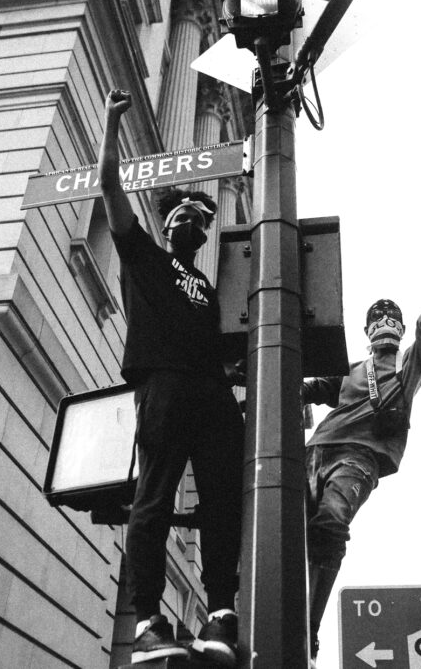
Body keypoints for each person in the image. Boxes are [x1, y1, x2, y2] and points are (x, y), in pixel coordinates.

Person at [98, 89, 244, 666]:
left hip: (211, 393)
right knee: (152, 500)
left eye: (202, 222)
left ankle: (220, 612)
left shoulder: (208, 291)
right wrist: (112, 123)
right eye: (186, 216)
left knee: (222, 502)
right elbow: (109, 184)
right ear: (167, 224)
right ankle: (149, 622)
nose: (196, 227)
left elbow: (225, 351)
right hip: (164, 385)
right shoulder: (143, 256)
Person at [301, 261, 421, 664]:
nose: (385, 321)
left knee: (330, 524)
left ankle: (307, 628)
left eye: (392, 318)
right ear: (367, 332)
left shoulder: (409, 365)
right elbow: (313, 387)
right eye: (377, 318)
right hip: (312, 453)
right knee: (280, 532)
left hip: (357, 459)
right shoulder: (351, 372)